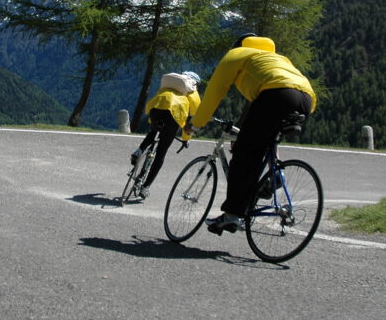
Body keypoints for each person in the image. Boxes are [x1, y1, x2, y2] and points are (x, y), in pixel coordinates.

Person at [184, 34, 316, 234]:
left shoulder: (236, 54)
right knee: (266, 140)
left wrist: (195, 124)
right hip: (306, 99)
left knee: (245, 155)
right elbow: (256, 106)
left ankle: (231, 216)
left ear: (238, 45)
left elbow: (215, 91)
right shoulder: (276, 58)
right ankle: (276, 174)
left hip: (275, 95)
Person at [130, 71, 201, 200]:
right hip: (173, 115)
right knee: (161, 153)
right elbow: (191, 121)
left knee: (153, 132)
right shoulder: (193, 91)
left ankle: (139, 151)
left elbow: (158, 100)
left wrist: (153, 124)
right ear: (196, 83)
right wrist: (186, 139)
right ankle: (145, 187)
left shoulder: (171, 83)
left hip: (155, 109)